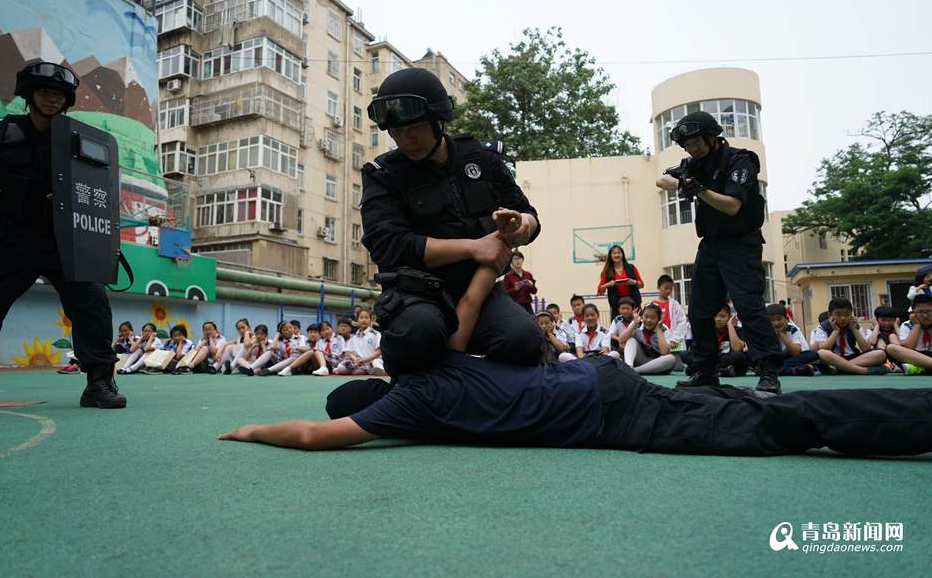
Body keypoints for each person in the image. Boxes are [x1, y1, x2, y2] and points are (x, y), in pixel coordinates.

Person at [218, 261, 932, 457]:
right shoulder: (434, 359)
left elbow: (315, 436)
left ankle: (914, 419)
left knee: (780, 425)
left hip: (611, 411)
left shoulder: (408, 408)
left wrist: (245, 429)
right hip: (596, 383)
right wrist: (482, 254)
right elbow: (472, 292)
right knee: (759, 409)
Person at [361, 68, 542, 376]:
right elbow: (387, 245)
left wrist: (521, 225)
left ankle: (487, 401)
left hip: (480, 292)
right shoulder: (382, 174)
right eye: (396, 132)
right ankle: (411, 393)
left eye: (415, 127)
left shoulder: (483, 159)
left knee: (524, 340)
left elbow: (528, 214)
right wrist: (473, 248)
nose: (407, 139)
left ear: (438, 120)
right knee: (419, 332)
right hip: (416, 295)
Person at [0, 62, 125, 407]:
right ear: (29, 94)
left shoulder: (80, 139)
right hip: (12, 237)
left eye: (59, 95)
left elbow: (100, 190)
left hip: (66, 240)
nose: (52, 99)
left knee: (92, 304)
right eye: (45, 92)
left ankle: (99, 383)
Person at [656, 111, 781, 394]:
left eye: (696, 143)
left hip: (741, 244)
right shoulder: (693, 163)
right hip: (711, 245)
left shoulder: (741, 160)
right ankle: (707, 371)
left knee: (748, 307)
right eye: (686, 145)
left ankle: (769, 373)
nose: (691, 149)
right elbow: (661, 181)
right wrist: (685, 183)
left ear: (712, 138)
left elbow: (732, 205)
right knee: (699, 310)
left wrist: (699, 189)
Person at [811, 297, 888, 375]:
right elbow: (825, 348)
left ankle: (840, 369)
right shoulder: (822, 326)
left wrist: (854, 330)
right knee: (822, 353)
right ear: (830, 315)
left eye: (847, 314)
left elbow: (866, 349)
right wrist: (835, 331)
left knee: (881, 354)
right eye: (838, 314)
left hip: (852, 358)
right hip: (833, 359)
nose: (843, 318)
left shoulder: (855, 325)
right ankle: (863, 371)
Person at [680, 305, 751, 378]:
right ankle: (719, 371)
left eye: (723, 316)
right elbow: (698, 351)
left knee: (738, 356)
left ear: (730, 316)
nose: (718, 319)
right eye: (715, 316)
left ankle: (700, 369)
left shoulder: (738, 330)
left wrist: (730, 325)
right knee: (685, 355)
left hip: (729, 360)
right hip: (712, 359)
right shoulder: (708, 331)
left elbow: (737, 349)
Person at [618, 303, 683, 375]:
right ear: (642, 316)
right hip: (640, 359)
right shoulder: (636, 323)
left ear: (659, 319)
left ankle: (634, 371)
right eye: (646, 316)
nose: (649, 320)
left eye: (653, 317)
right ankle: (628, 366)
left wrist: (659, 329)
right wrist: (634, 324)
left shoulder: (664, 329)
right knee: (631, 340)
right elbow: (621, 340)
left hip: (656, 363)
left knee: (670, 358)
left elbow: (664, 352)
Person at [766, 303, 819, 377]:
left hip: (789, 358)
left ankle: (774, 370)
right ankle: (794, 370)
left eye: (779, 319)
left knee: (813, 354)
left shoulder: (792, 329)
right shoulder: (765, 330)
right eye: (772, 320)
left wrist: (782, 334)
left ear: (786, 319)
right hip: (772, 359)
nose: (776, 323)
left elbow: (796, 353)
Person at [887, 294, 932, 375]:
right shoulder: (907, 325)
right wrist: (916, 325)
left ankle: (918, 368)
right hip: (915, 357)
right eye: (921, 312)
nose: (925, 316)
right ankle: (923, 367)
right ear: (913, 312)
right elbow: (909, 347)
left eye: (929, 311)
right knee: (891, 348)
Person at [596, 245, 643, 315]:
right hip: (616, 305)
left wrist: (634, 282)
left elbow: (641, 284)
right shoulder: (607, 271)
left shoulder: (631, 268)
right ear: (611, 256)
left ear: (622, 255)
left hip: (633, 303)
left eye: (619, 253)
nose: (617, 255)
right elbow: (601, 290)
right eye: (614, 253)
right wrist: (608, 284)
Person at [335, 309, 383, 376]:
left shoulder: (376, 334)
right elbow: (350, 352)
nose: (364, 320)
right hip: (358, 362)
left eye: (366, 317)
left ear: (370, 320)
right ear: (357, 320)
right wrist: (356, 359)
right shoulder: (354, 336)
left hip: (371, 360)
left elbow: (379, 351)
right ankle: (365, 370)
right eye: (361, 317)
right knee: (341, 368)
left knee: (374, 364)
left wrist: (366, 359)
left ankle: (379, 370)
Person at [651, 275, 687, 353]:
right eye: (666, 288)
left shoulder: (675, 304)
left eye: (670, 289)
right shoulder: (652, 305)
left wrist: (674, 339)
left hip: (673, 342)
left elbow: (682, 322)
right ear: (658, 287)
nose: (668, 291)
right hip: (657, 341)